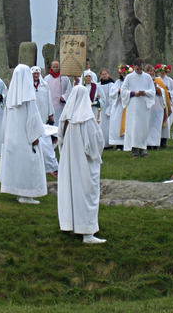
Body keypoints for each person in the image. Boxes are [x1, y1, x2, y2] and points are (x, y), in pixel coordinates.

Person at [57, 85, 106, 244]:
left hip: (69, 163)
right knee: (86, 194)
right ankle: (87, 232)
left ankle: (71, 225)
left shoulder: (65, 119)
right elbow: (96, 144)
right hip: (83, 165)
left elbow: (60, 141)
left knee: (71, 193)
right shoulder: (87, 120)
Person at [0, 65, 46, 204]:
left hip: (13, 138)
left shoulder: (11, 99)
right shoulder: (28, 97)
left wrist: (4, 136)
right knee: (27, 164)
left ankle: (18, 191)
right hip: (25, 137)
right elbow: (32, 118)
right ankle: (26, 194)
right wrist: (35, 136)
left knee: (16, 165)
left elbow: (5, 119)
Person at [121, 58, 156, 157]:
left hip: (143, 105)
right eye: (137, 69)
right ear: (134, 67)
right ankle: (134, 149)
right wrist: (133, 93)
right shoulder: (129, 77)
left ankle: (143, 148)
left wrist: (145, 92)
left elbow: (152, 91)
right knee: (133, 126)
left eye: (141, 69)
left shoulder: (147, 77)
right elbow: (123, 91)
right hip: (133, 105)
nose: (139, 71)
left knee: (143, 127)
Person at [31, 66, 58, 178]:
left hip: (43, 113)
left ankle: (49, 165)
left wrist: (50, 114)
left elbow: (49, 100)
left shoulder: (44, 85)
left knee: (46, 138)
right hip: (34, 114)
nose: (36, 75)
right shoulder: (28, 85)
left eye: (37, 74)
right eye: (34, 74)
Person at [108, 64, 132, 149]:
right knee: (117, 123)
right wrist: (118, 91)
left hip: (128, 105)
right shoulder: (118, 82)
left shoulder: (131, 82)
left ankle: (128, 143)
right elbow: (111, 94)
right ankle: (119, 144)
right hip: (119, 105)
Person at [157, 64, 173, 148]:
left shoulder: (170, 81)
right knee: (158, 122)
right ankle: (157, 141)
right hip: (159, 103)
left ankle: (164, 141)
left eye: (164, 72)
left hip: (168, 103)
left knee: (167, 123)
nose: (162, 74)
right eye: (161, 72)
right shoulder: (156, 80)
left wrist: (168, 94)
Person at [145, 65, 165, 150]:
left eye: (151, 71)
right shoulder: (143, 80)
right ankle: (147, 144)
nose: (150, 72)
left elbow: (163, 92)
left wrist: (157, 89)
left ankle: (156, 143)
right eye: (148, 71)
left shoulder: (158, 80)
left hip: (157, 106)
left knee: (156, 125)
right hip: (147, 106)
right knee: (147, 125)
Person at [97, 68, 115, 149]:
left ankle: (109, 143)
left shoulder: (111, 84)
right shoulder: (98, 85)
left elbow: (112, 97)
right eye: (103, 74)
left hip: (108, 107)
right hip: (101, 108)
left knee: (108, 126)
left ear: (108, 74)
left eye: (105, 74)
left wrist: (110, 108)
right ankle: (102, 143)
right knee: (101, 125)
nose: (104, 75)